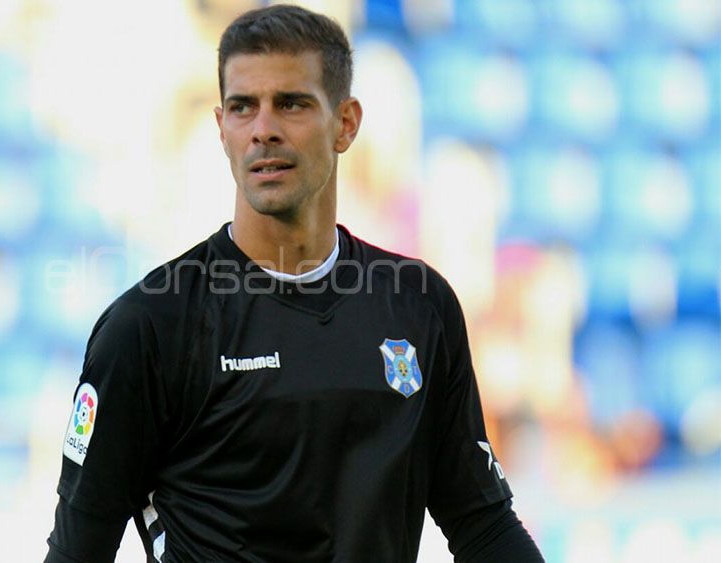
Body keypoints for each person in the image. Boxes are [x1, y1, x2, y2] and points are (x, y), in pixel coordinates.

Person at [44, 5, 545, 562]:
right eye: (243, 107)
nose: (263, 129)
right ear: (221, 129)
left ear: (345, 123)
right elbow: (76, 551)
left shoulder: (419, 305)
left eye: (291, 104)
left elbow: (483, 525)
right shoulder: (151, 326)